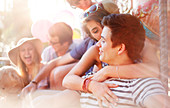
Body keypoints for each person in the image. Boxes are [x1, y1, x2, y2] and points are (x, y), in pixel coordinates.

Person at [21, 1, 158, 95]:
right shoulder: (95, 48)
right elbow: (67, 77)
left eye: (105, 26)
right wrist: (34, 82)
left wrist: (108, 71)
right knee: (40, 98)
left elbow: (154, 70)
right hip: (92, 91)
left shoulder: (139, 41)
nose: (102, 33)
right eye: (95, 31)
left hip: (127, 94)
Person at [63, 14, 168, 108]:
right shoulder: (94, 78)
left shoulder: (141, 85)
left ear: (121, 48)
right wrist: (91, 85)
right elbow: (66, 82)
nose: (98, 45)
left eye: (103, 41)